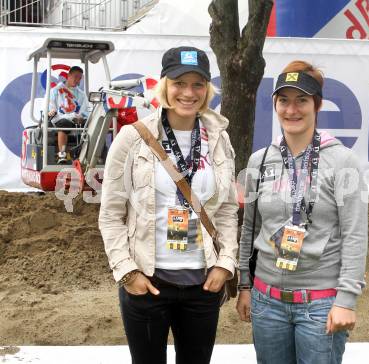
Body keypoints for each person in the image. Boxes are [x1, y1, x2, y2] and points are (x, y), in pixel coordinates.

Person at [99, 46, 238, 364]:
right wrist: (127, 271)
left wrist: (224, 263)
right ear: (164, 85)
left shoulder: (219, 138)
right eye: (179, 83)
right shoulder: (132, 138)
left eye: (197, 84)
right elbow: (110, 214)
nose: (188, 93)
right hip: (148, 282)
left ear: (207, 89)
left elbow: (227, 209)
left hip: (204, 283)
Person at [236, 60, 368, 364]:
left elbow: (354, 235)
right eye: (284, 100)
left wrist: (346, 300)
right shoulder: (260, 160)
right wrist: (245, 284)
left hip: (320, 305)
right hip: (265, 302)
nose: (291, 110)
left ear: (317, 105)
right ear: (275, 104)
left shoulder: (343, 161)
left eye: (301, 101)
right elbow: (250, 229)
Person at [48, 65, 88, 163]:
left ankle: (87, 155)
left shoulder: (81, 94)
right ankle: (62, 154)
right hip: (60, 119)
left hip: (75, 120)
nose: (77, 80)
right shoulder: (55, 91)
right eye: (75, 77)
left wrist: (81, 117)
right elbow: (51, 108)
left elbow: (85, 110)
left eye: (79, 78)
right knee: (64, 123)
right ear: (68, 76)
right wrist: (52, 111)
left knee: (90, 124)